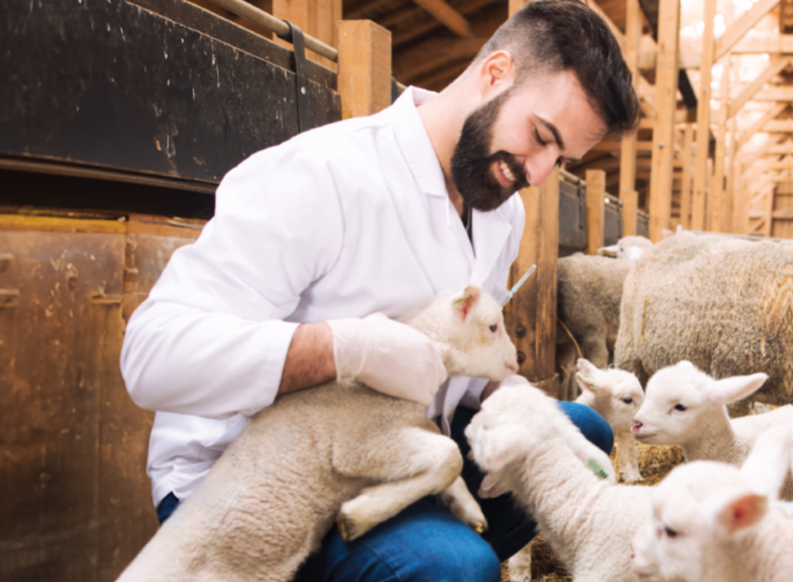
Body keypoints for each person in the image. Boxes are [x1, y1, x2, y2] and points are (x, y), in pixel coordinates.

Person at [120, 0, 640, 579]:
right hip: (258, 483)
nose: (540, 174)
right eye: (541, 137)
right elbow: (151, 354)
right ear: (496, 73)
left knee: (579, 431)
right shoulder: (322, 174)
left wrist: (516, 402)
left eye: (562, 159)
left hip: (391, 453)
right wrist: (345, 349)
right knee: (455, 566)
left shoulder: (500, 212)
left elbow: (462, 374)